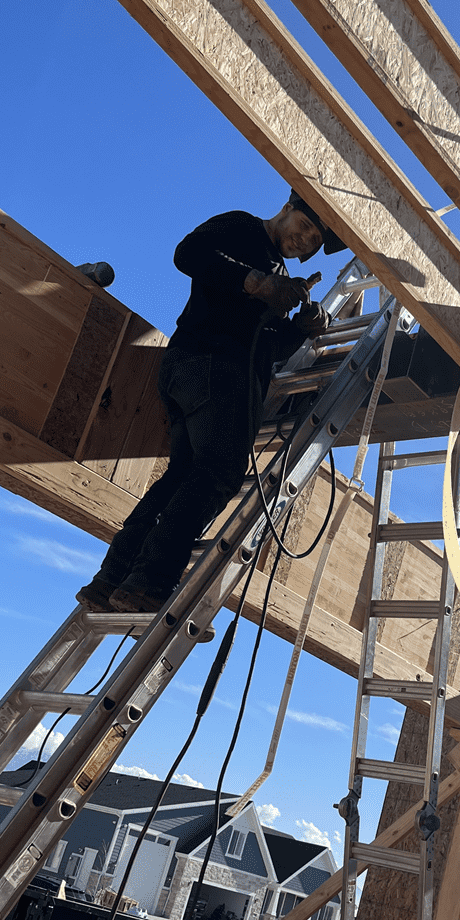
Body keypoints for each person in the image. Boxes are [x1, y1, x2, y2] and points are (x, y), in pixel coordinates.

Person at [76, 189, 346, 614]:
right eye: (306, 226)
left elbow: (264, 347)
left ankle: (111, 580)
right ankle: (149, 582)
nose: (306, 240)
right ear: (287, 209)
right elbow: (188, 253)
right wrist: (258, 283)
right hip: (212, 367)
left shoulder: (277, 270)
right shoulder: (242, 227)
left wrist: (301, 328)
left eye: (314, 240)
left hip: (200, 371)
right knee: (220, 473)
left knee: (183, 476)